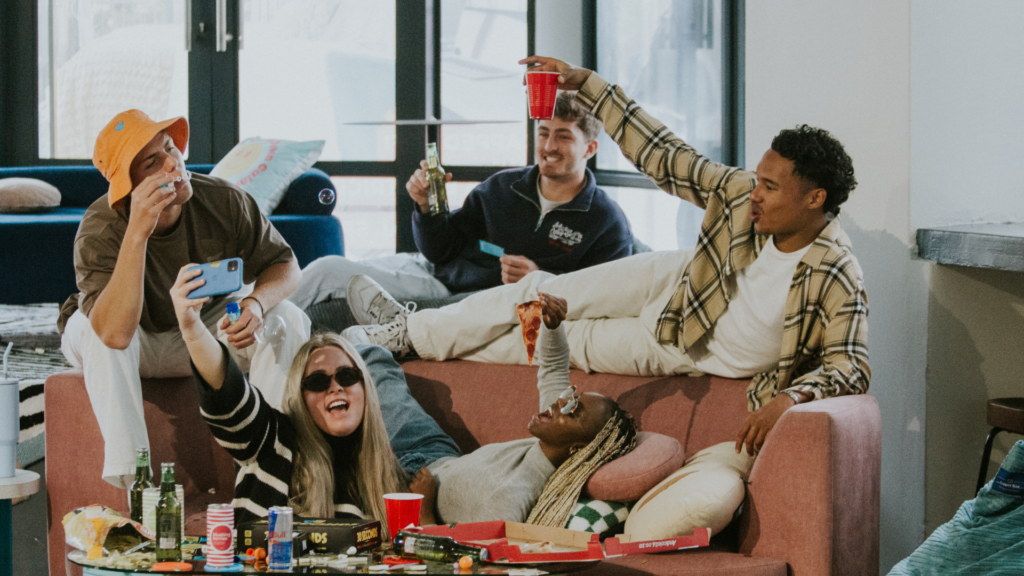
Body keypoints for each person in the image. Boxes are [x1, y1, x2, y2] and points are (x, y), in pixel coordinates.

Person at [343, 56, 871, 456]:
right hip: (674, 279)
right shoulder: (740, 195)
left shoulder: (834, 271)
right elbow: (665, 155)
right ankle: (405, 332)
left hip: (677, 346)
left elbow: (851, 364)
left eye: (771, 188)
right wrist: (590, 87)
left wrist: (789, 397)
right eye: (758, 180)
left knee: (545, 339)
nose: (755, 194)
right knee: (539, 292)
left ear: (815, 199)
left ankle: (406, 342)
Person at [58, 109, 311, 488]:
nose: (172, 163)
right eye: (152, 162)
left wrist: (255, 304)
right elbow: (114, 335)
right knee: (98, 332)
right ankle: (135, 484)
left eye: (171, 148)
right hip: (131, 337)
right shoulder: (99, 228)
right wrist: (138, 232)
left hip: (199, 333)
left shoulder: (223, 200)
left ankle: (273, 463)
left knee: (286, 317)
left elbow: (287, 266)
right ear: (129, 186)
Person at [288, 92, 635, 320]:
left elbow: (606, 298)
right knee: (324, 271)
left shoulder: (606, 223)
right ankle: (256, 330)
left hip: (455, 294)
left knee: (330, 272)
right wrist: (426, 209)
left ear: (590, 149)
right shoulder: (503, 187)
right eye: (544, 133)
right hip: (432, 271)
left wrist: (541, 281)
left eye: (564, 136)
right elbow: (441, 248)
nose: (548, 146)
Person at [170, 264, 430, 530]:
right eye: (318, 381)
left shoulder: (388, 481)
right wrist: (192, 329)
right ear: (301, 397)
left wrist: (427, 514)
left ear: (365, 387)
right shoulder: (276, 443)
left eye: (347, 376)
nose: (335, 387)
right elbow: (229, 396)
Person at [408, 293, 637, 527]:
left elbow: (471, 548)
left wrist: (423, 510)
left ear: (576, 448)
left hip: (405, 482)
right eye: (571, 396)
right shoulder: (550, 436)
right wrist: (553, 325)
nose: (560, 402)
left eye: (573, 408)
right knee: (383, 361)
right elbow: (554, 367)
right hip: (436, 452)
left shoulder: (512, 496)